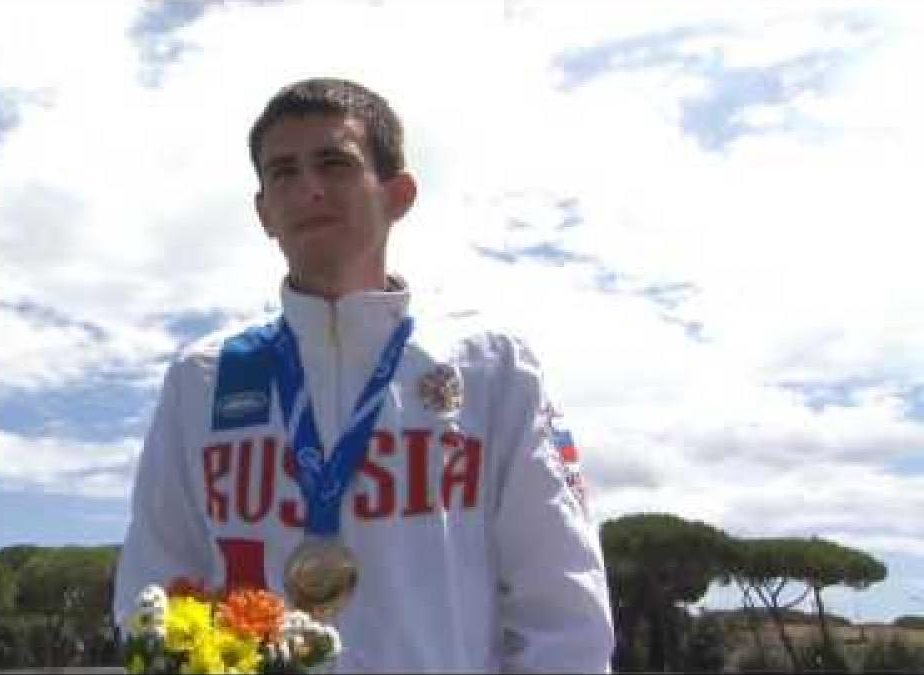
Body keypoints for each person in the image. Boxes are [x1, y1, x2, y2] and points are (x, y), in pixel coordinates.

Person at [114, 77, 614, 672]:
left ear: (397, 194)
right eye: (283, 173)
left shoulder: (491, 366)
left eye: (334, 163)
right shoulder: (202, 377)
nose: (308, 189)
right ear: (263, 212)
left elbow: (562, 606)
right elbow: (155, 587)